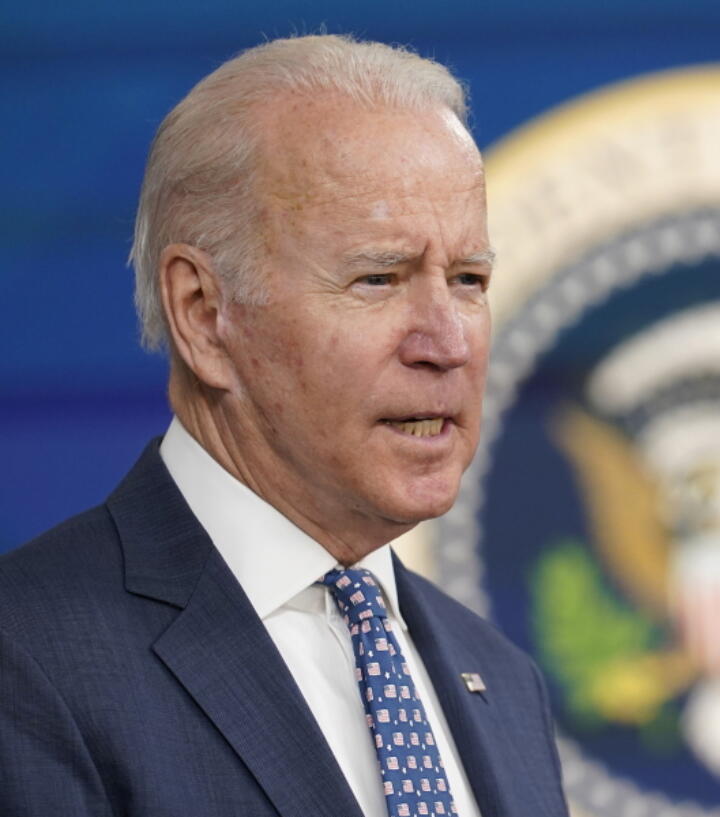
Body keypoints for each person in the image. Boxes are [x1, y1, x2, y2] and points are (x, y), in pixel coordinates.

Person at [0, 35, 569, 817]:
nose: (449, 342)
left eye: (469, 279)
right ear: (204, 314)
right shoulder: (28, 660)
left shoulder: (501, 679)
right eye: (379, 278)